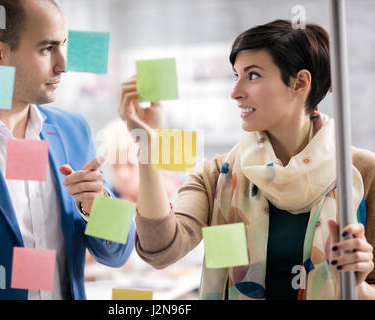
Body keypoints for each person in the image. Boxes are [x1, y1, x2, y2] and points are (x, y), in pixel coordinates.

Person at [118, 19, 375, 300]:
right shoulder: (217, 175)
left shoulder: (363, 173)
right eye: (236, 75)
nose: (235, 92)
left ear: (300, 83)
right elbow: (160, 250)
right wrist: (148, 147)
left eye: (252, 76)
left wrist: (356, 285)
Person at [0, 0, 134, 299]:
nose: (63, 63)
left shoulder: (73, 131)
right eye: (47, 49)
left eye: (63, 45)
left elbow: (118, 253)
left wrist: (98, 206)